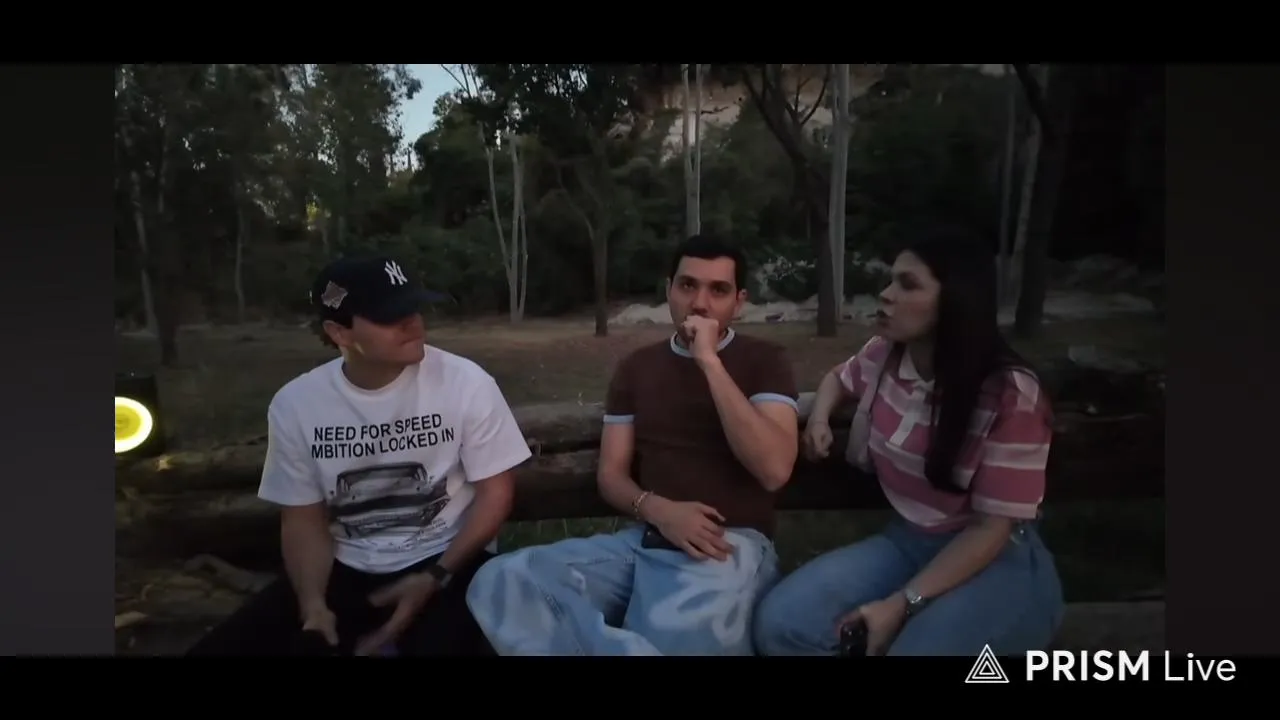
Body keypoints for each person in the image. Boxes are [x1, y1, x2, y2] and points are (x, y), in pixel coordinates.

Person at [464, 235, 800, 656]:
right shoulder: (637, 368)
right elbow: (611, 475)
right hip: (646, 541)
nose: (700, 303)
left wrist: (709, 362)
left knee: (674, 632)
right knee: (503, 581)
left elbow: (774, 469)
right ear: (669, 290)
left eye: (718, 290)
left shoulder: (765, 360)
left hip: (727, 546)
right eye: (688, 285)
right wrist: (661, 512)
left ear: (739, 302)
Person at [186, 255, 531, 656]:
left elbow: (495, 493)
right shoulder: (297, 404)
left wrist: (436, 576)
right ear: (339, 332)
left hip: (447, 558)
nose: (413, 323)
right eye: (390, 316)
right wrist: (313, 605)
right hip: (347, 565)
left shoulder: (465, 382)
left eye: (414, 308)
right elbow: (303, 518)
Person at [753, 229, 1065, 657]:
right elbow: (838, 378)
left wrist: (902, 603)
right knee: (781, 625)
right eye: (891, 280)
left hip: (994, 558)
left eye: (908, 284)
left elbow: (993, 528)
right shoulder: (885, 354)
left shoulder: (1010, 394)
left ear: (956, 300)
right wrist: (820, 417)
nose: (885, 294)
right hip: (908, 541)